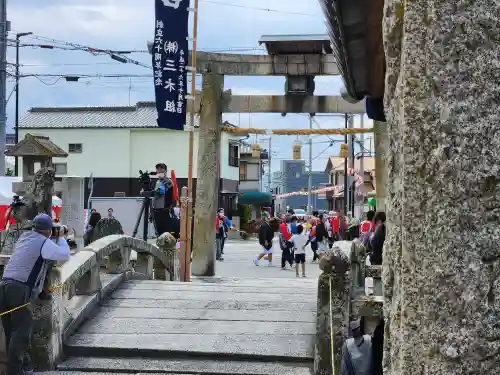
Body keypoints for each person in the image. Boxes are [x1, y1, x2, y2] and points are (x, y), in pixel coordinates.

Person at [0, 213, 70, 375]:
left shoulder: (24, 237)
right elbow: (64, 255)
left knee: (11, 331)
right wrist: (60, 237)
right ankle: (15, 371)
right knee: (21, 333)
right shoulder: (44, 242)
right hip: (19, 289)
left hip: (4, 285)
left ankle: (22, 367)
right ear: (48, 230)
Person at [151, 163, 178, 237]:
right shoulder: (158, 182)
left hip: (165, 211)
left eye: (161, 171)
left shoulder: (168, 182)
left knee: (167, 234)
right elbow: (155, 197)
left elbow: (160, 192)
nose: (159, 172)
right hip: (157, 211)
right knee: (159, 233)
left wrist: (149, 192)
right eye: (158, 171)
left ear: (165, 171)